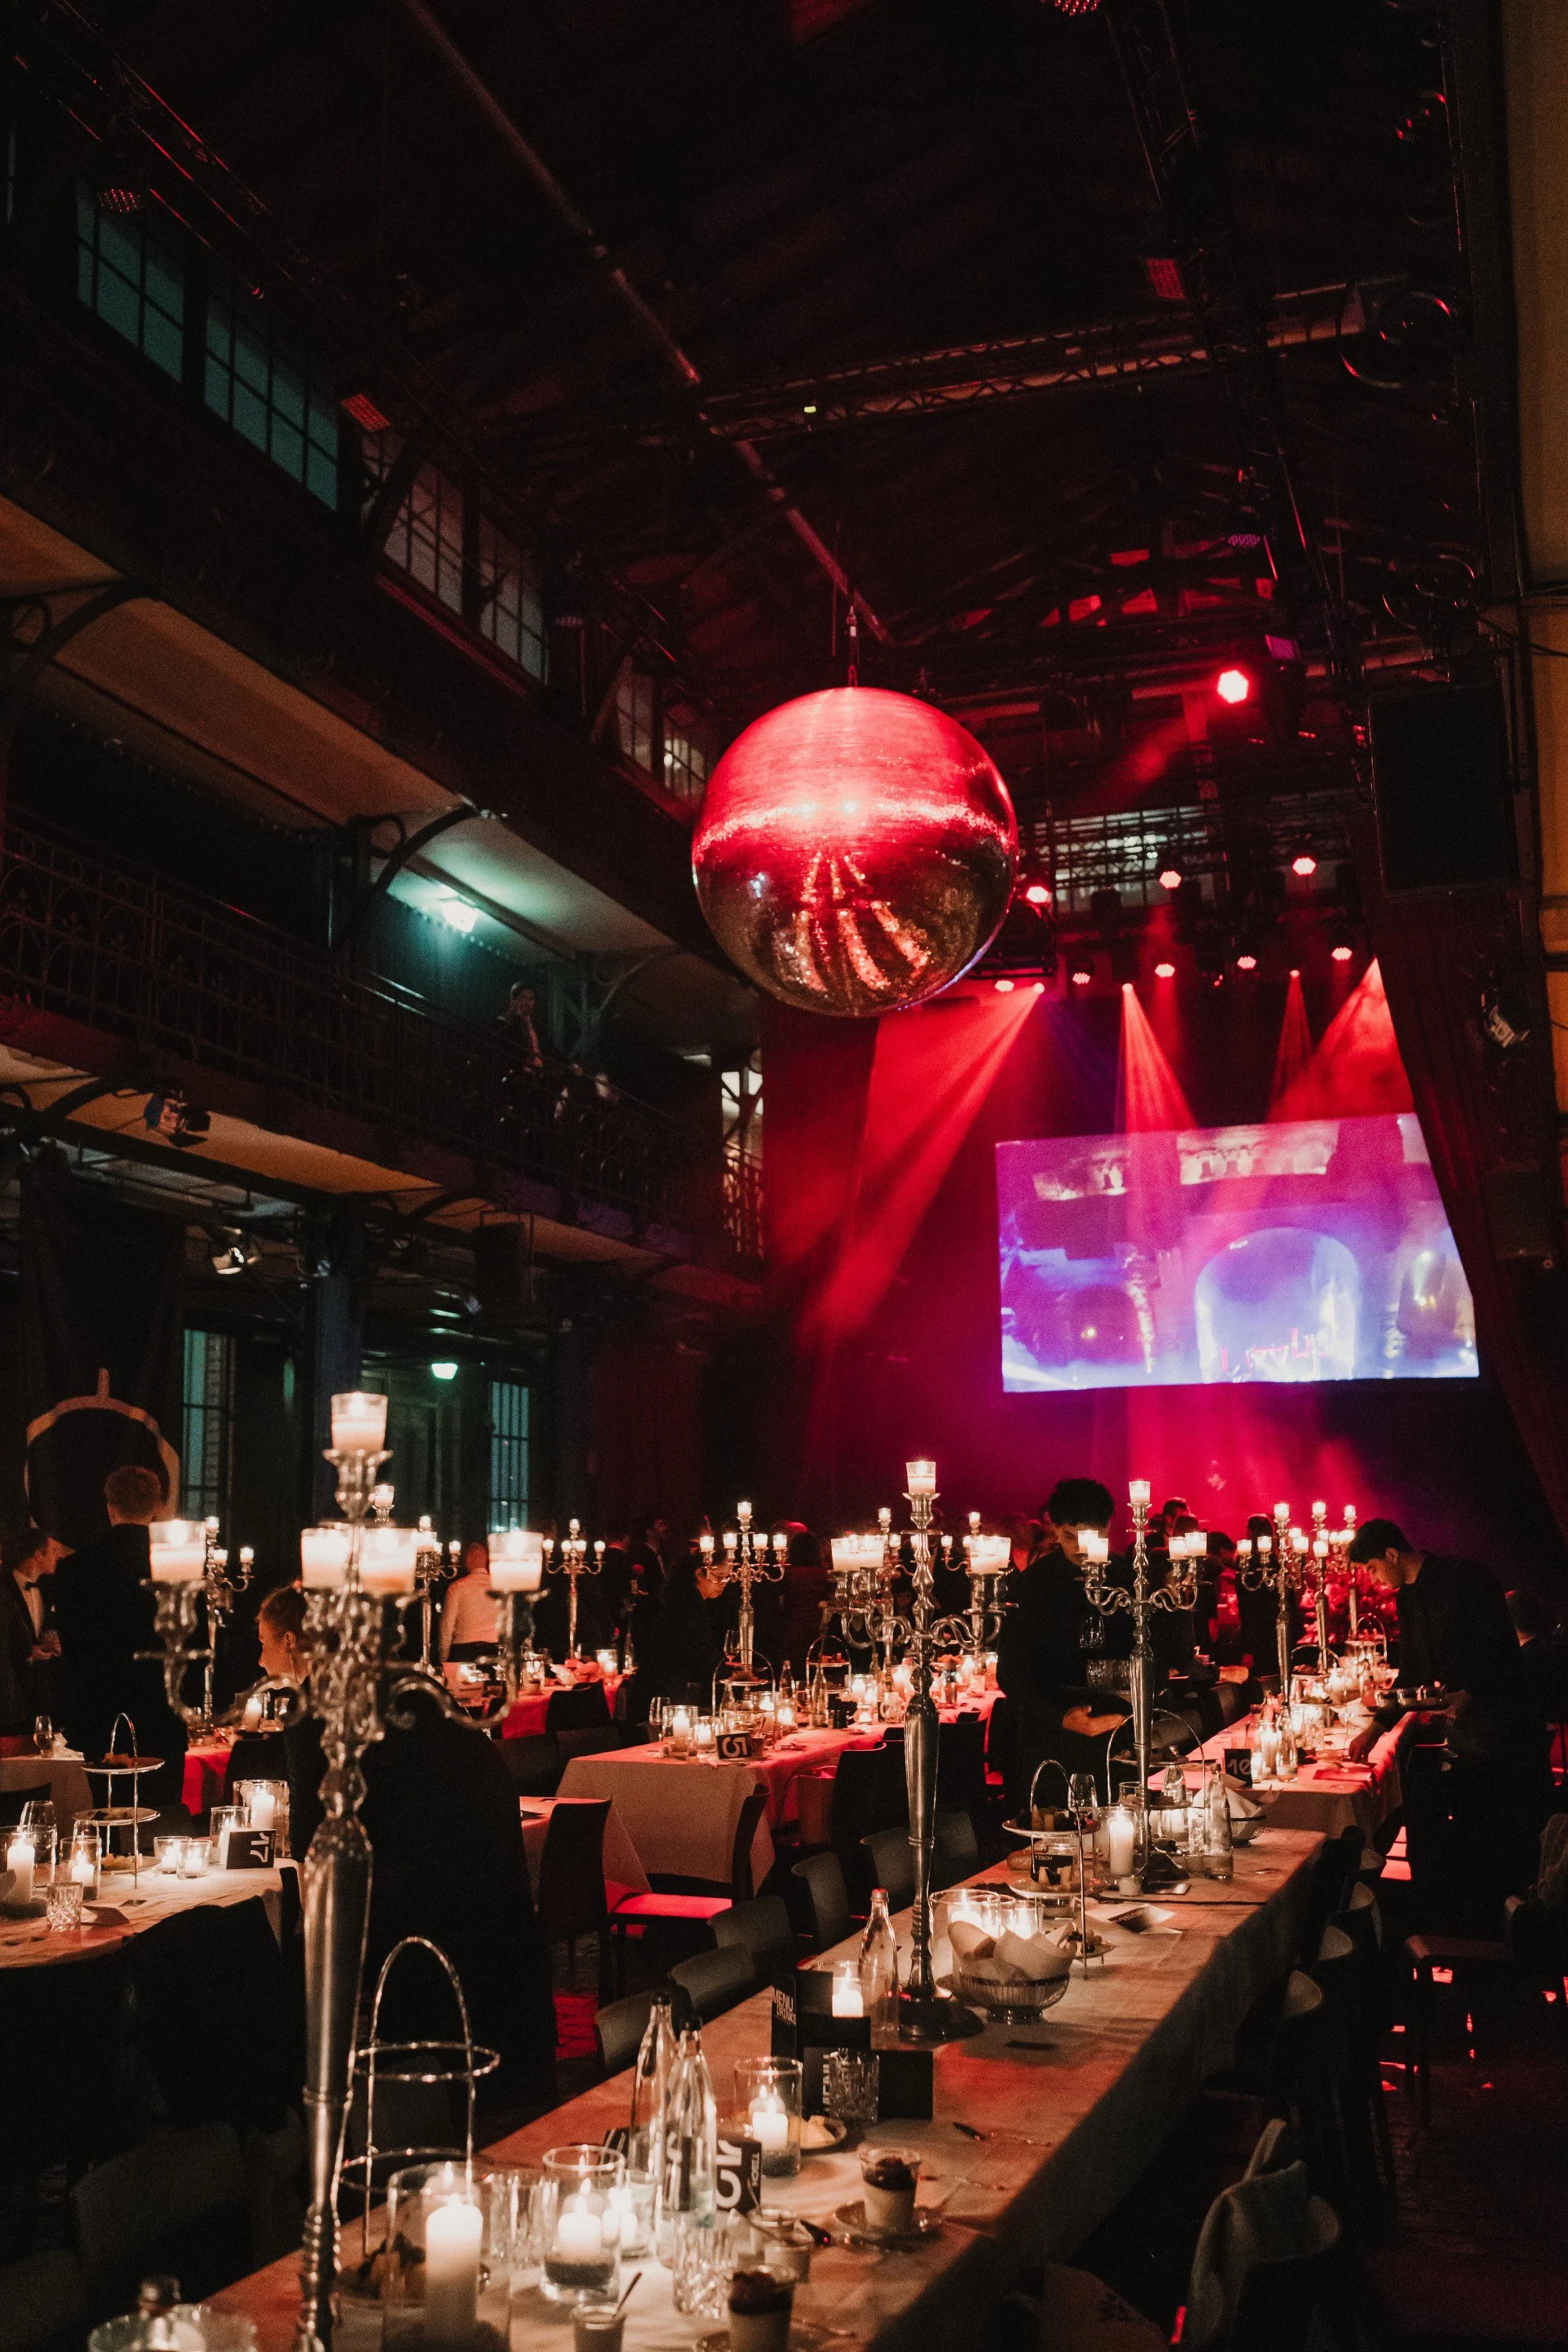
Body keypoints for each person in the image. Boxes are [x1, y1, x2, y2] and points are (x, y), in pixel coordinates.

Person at [285, 1679, 556, 2114]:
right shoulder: (424, 1692)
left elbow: (310, 1839)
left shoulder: (317, 1706)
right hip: (498, 1935)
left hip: (413, 1928)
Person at [1350, 1516, 1553, 1922]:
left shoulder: (1466, 1578)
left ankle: (1516, 1927)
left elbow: (1503, 1652)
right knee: (1467, 1828)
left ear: (1392, 1554)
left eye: (1372, 1568)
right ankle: (1465, 1922)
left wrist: (1468, 1692)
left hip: (1506, 1725)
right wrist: (1375, 1729)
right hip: (1466, 1734)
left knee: (1507, 1834)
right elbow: (1411, 1673)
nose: (1373, 1579)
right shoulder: (1407, 1599)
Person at [50, 1465, 187, 1802]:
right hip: (162, 1717)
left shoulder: (73, 1570)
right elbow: (191, 1644)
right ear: (157, 1508)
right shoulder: (180, 1568)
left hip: (99, 1720)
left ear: (109, 1507)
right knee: (162, 1818)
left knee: (108, 1817)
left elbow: (73, 1650)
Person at [994, 1476, 1131, 1808]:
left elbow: (1155, 1655)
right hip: (1052, 1740)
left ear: (1108, 1529)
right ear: (1054, 1529)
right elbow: (1011, 1674)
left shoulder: (1129, 1578)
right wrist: (1061, 1716)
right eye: (1070, 1536)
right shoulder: (1032, 1585)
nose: (1080, 1549)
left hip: (1123, 1734)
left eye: (1090, 1537)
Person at [0, 1526, 64, 1735]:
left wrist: (52, 1643)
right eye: (52, 1551)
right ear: (38, 1554)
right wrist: (28, 1653)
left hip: (43, 1691)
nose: (57, 1556)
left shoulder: (48, 1588)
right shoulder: (4, 1589)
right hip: (12, 1693)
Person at [441, 1541, 500, 1661]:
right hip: (493, 1650)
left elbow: (447, 1625)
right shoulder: (499, 1586)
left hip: (464, 1651)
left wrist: (443, 1656)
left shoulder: (457, 1587)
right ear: (486, 1560)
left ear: (467, 1560)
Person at [503, 982, 544, 1074]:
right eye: (522, 998)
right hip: (519, 1073)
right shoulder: (506, 1024)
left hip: (540, 1072)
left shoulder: (537, 1025)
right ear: (513, 1001)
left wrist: (570, 1064)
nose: (527, 1002)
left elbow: (549, 1048)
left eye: (531, 999)